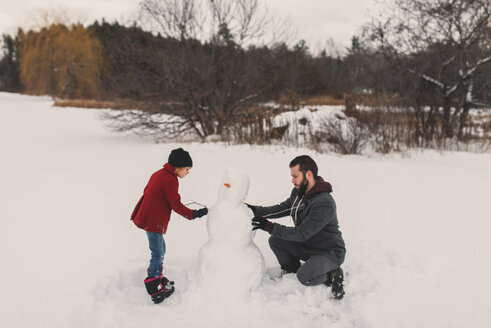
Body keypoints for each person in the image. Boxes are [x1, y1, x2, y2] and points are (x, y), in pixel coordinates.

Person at [249, 155, 346, 299]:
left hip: (328, 252)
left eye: (295, 176)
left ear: (308, 174)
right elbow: (282, 209)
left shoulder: (324, 203)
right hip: (307, 245)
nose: (292, 181)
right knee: (276, 240)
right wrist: (255, 210)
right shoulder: (299, 193)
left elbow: (301, 234)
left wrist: (269, 226)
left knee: (305, 277)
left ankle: (332, 274)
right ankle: (292, 269)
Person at [131, 148, 208, 304]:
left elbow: (147, 192)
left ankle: (156, 275)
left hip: (149, 218)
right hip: (153, 221)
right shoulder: (170, 180)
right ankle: (154, 287)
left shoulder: (159, 173)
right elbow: (176, 205)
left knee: (161, 250)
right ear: (178, 167)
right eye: (187, 169)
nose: (188, 172)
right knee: (158, 253)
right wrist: (195, 214)